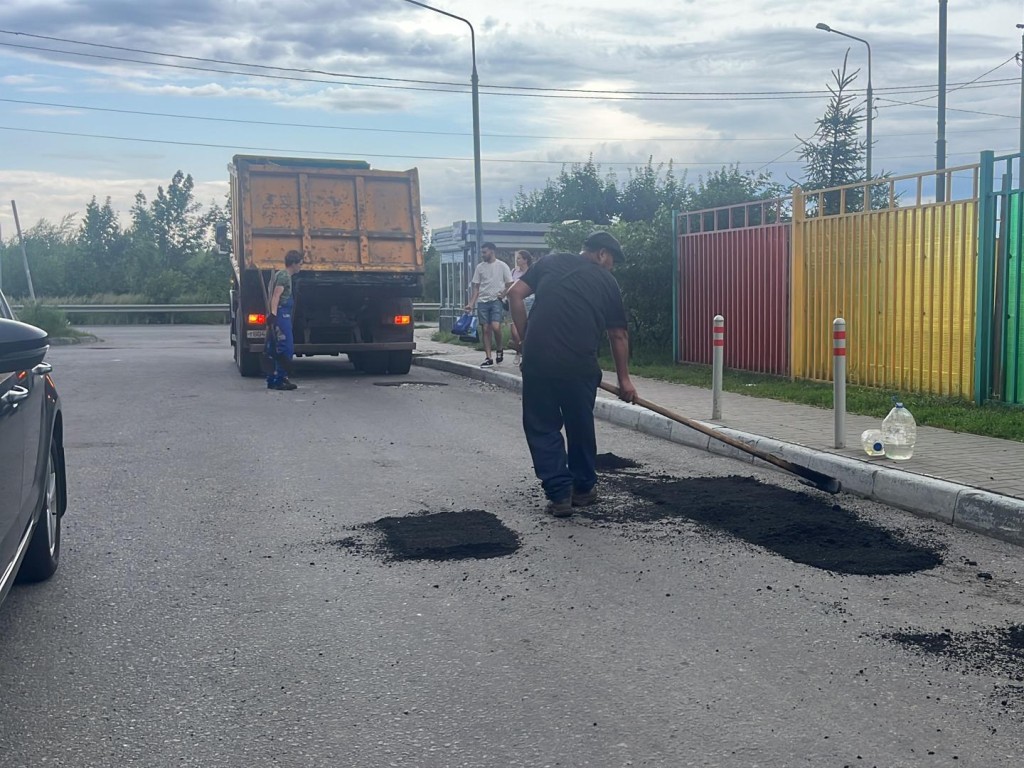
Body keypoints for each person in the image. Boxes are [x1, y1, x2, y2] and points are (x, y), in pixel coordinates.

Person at [507, 231, 638, 518]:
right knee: (580, 424)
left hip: (538, 361)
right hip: (580, 364)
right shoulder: (607, 282)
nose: (611, 267)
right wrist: (624, 380)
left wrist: (526, 337)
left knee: (542, 425)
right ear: (602, 254)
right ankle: (583, 488)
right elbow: (618, 334)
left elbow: (514, 294)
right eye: (612, 260)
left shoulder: (549, 262)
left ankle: (558, 493)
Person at [464, 242, 513, 366]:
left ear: (492, 251)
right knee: (485, 328)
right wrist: (471, 303)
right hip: (483, 301)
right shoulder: (480, 267)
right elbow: (476, 287)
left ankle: (500, 348)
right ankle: (488, 357)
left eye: (484, 252)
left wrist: (503, 294)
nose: (483, 255)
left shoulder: (502, 266)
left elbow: (510, 284)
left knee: (496, 326)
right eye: (482, 252)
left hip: (496, 300)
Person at [265, 249, 304, 391]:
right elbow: (276, 296)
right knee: (285, 347)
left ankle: (273, 378)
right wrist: (274, 314)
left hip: (280, 313)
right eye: (300, 263)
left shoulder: (280, 275)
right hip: (281, 314)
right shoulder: (284, 276)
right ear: (293, 263)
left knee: (273, 347)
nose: (301, 266)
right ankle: (280, 379)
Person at [499, 250, 534, 366]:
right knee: (515, 330)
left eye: (519, 258)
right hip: (516, 302)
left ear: (526, 260)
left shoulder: (532, 271)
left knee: (529, 328)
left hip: (530, 301)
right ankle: (518, 352)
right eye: (516, 258)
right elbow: (509, 285)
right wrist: (503, 294)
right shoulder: (514, 271)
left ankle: (525, 354)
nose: (517, 260)